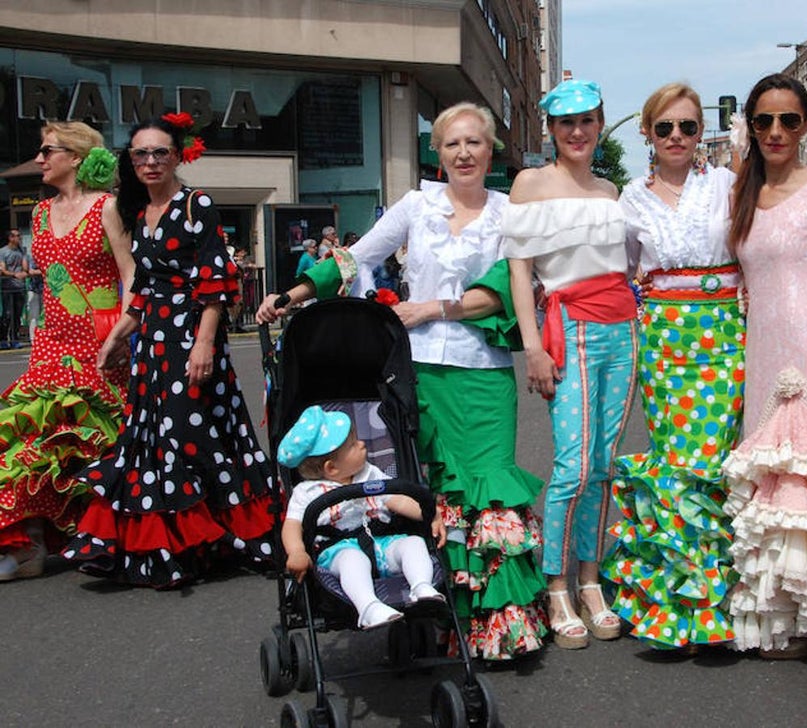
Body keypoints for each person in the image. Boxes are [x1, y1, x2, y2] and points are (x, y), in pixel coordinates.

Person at [257, 102, 548, 661]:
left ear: (492, 151)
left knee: (488, 490)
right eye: (452, 144)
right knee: (428, 485)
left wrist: (429, 308)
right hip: (415, 372)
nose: (464, 153)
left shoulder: (510, 211)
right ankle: (437, 614)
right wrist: (292, 296)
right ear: (436, 153)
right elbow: (352, 258)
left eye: (475, 143)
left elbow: (504, 291)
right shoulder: (417, 204)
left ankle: (497, 625)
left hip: (484, 375)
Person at [62, 115, 275, 588]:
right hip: (153, 344)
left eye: (160, 152)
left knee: (187, 435)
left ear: (178, 155)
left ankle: (204, 540)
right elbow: (144, 286)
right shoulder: (140, 212)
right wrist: (120, 333)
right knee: (154, 437)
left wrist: (203, 343)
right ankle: (170, 543)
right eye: (141, 154)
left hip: (191, 337)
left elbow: (216, 281)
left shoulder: (196, 204)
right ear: (131, 162)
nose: (151, 161)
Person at [598, 82, 745, 652]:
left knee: (714, 463)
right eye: (666, 128)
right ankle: (678, 604)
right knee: (676, 462)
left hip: (726, 337)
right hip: (663, 339)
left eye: (688, 127)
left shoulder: (727, 185)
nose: (678, 137)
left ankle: (717, 601)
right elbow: (620, 271)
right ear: (647, 134)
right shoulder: (630, 198)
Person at [718, 74, 807, 659]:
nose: (775, 131)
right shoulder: (739, 193)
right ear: (750, 125)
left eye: (788, 121)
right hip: (761, 348)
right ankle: (782, 616)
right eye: (764, 120)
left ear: (806, 126)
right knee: (772, 481)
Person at [503, 79, 638, 650]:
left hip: (624, 328)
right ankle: (556, 584)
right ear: (551, 131)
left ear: (600, 123)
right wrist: (533, 346)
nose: (578, 132)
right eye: (566, 123)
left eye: (587, 120)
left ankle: (591, 578)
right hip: (570, 329)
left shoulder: (611, 189)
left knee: (604, 462)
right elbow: (519, 272)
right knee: (572, 467)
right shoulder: (530, 183)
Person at [0, 122, 134, 581]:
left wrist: (124, 328)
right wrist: (37, 328)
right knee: (31, 442)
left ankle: (107, 534)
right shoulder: (38, 214)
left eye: (47, 151)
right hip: (52, 344)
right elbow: (52, 278)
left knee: (98, 442)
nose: (39, 159)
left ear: (75, 158)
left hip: (100, 342)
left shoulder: (108, 208)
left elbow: (130, 273)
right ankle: (30, 545)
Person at [278, 406, 445, 629]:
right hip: (338, 550)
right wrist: (297, 551)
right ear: (332, 468)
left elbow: (398, 499)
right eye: (353, 444)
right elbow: (292, 525)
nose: (362, 443)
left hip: (382, 543)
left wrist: (429, 513)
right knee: (353, 561)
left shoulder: (369, 473)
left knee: (413, 543)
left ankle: (422, 588)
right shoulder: (307, 492)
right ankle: (368, 607)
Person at [0, 228, 28, 349]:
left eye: (20, 236)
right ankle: (3, 338)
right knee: (7, 314)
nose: (19, 238)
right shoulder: (3, 252)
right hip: (8, 286)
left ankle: (15, 337)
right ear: (10, 238)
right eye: (17, 236)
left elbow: (25, 266)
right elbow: (2, 269)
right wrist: (14, 274)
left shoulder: (21, 251)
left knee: (17, 314)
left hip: (19, 287)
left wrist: (24, 272)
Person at [25, 248, 44, 343]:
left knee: (45, 315)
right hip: (34, 289)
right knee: (34, 315)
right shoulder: (31, 258)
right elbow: (30, 271)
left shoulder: (47, 256)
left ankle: (43, 337)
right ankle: (33, 339)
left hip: (45, 289)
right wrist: (42, 271)